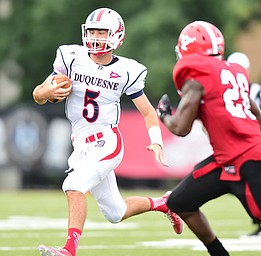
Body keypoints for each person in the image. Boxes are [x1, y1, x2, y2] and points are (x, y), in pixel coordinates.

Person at [156, 20, 261, 256]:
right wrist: (256, 134)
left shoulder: (197, 78)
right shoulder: (233, 71)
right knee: (180, 202)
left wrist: (164, 114)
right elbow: (255, 112)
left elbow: (181, 128)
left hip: (245, 163)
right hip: (228, 161)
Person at [33, 8, 183, 256]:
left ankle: (69, 250)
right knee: (116, 213)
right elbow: (38, 93)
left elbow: (148, 112)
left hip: (106, 141)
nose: (95, 36)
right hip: (81, 145)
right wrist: (44, 93)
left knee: (73, 185)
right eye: (92, 31)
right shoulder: (71, 57)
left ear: (116, 35)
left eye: (102, 32)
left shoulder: (127, 70)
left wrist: (156, 141)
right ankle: (165, 204)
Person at [227, 51, 261, 236]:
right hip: (235, 147)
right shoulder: (224, 89)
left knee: (255, 186)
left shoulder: (256, 91)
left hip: (253, 145)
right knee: (240, 187)